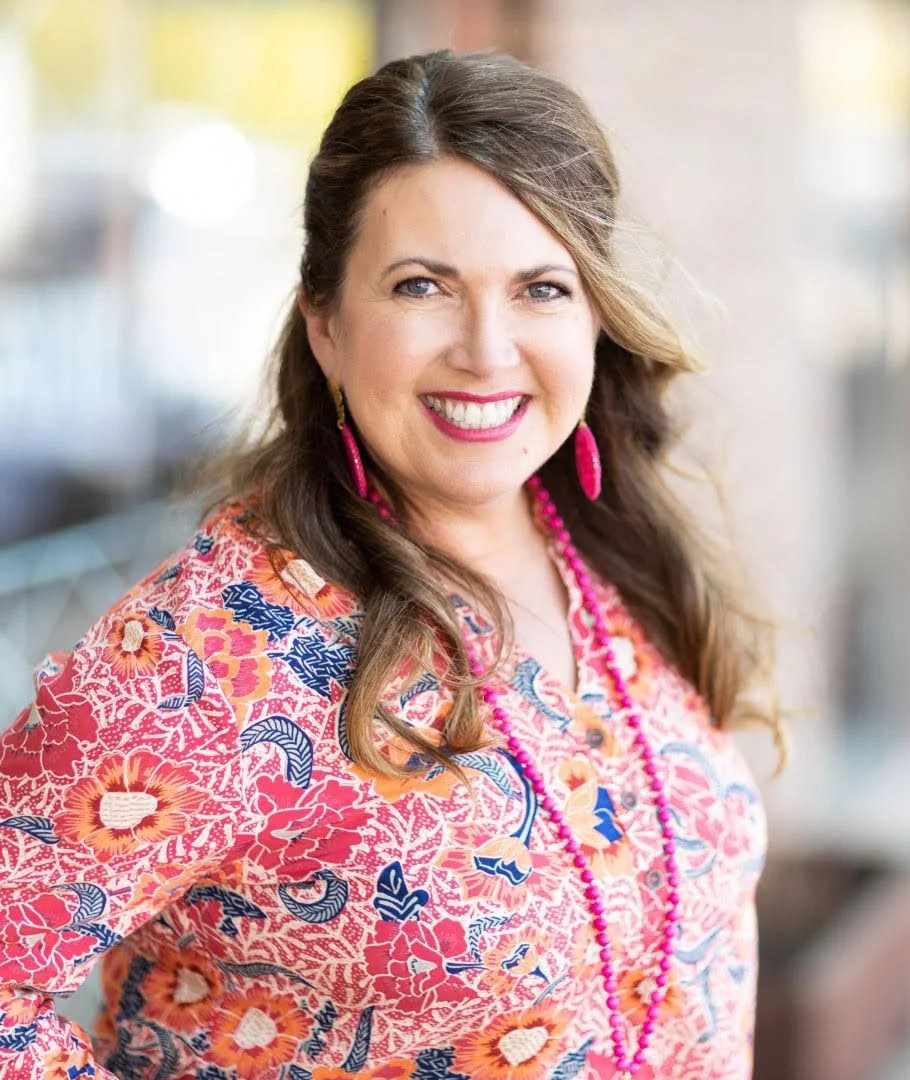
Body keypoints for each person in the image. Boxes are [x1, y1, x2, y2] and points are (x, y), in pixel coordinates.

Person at [0, 49, 782, 1080]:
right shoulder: (212, 654)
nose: (487, 350)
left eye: (541, 288)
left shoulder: (613, 556)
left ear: (595, 315)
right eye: (423, 286)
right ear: (325, 323)